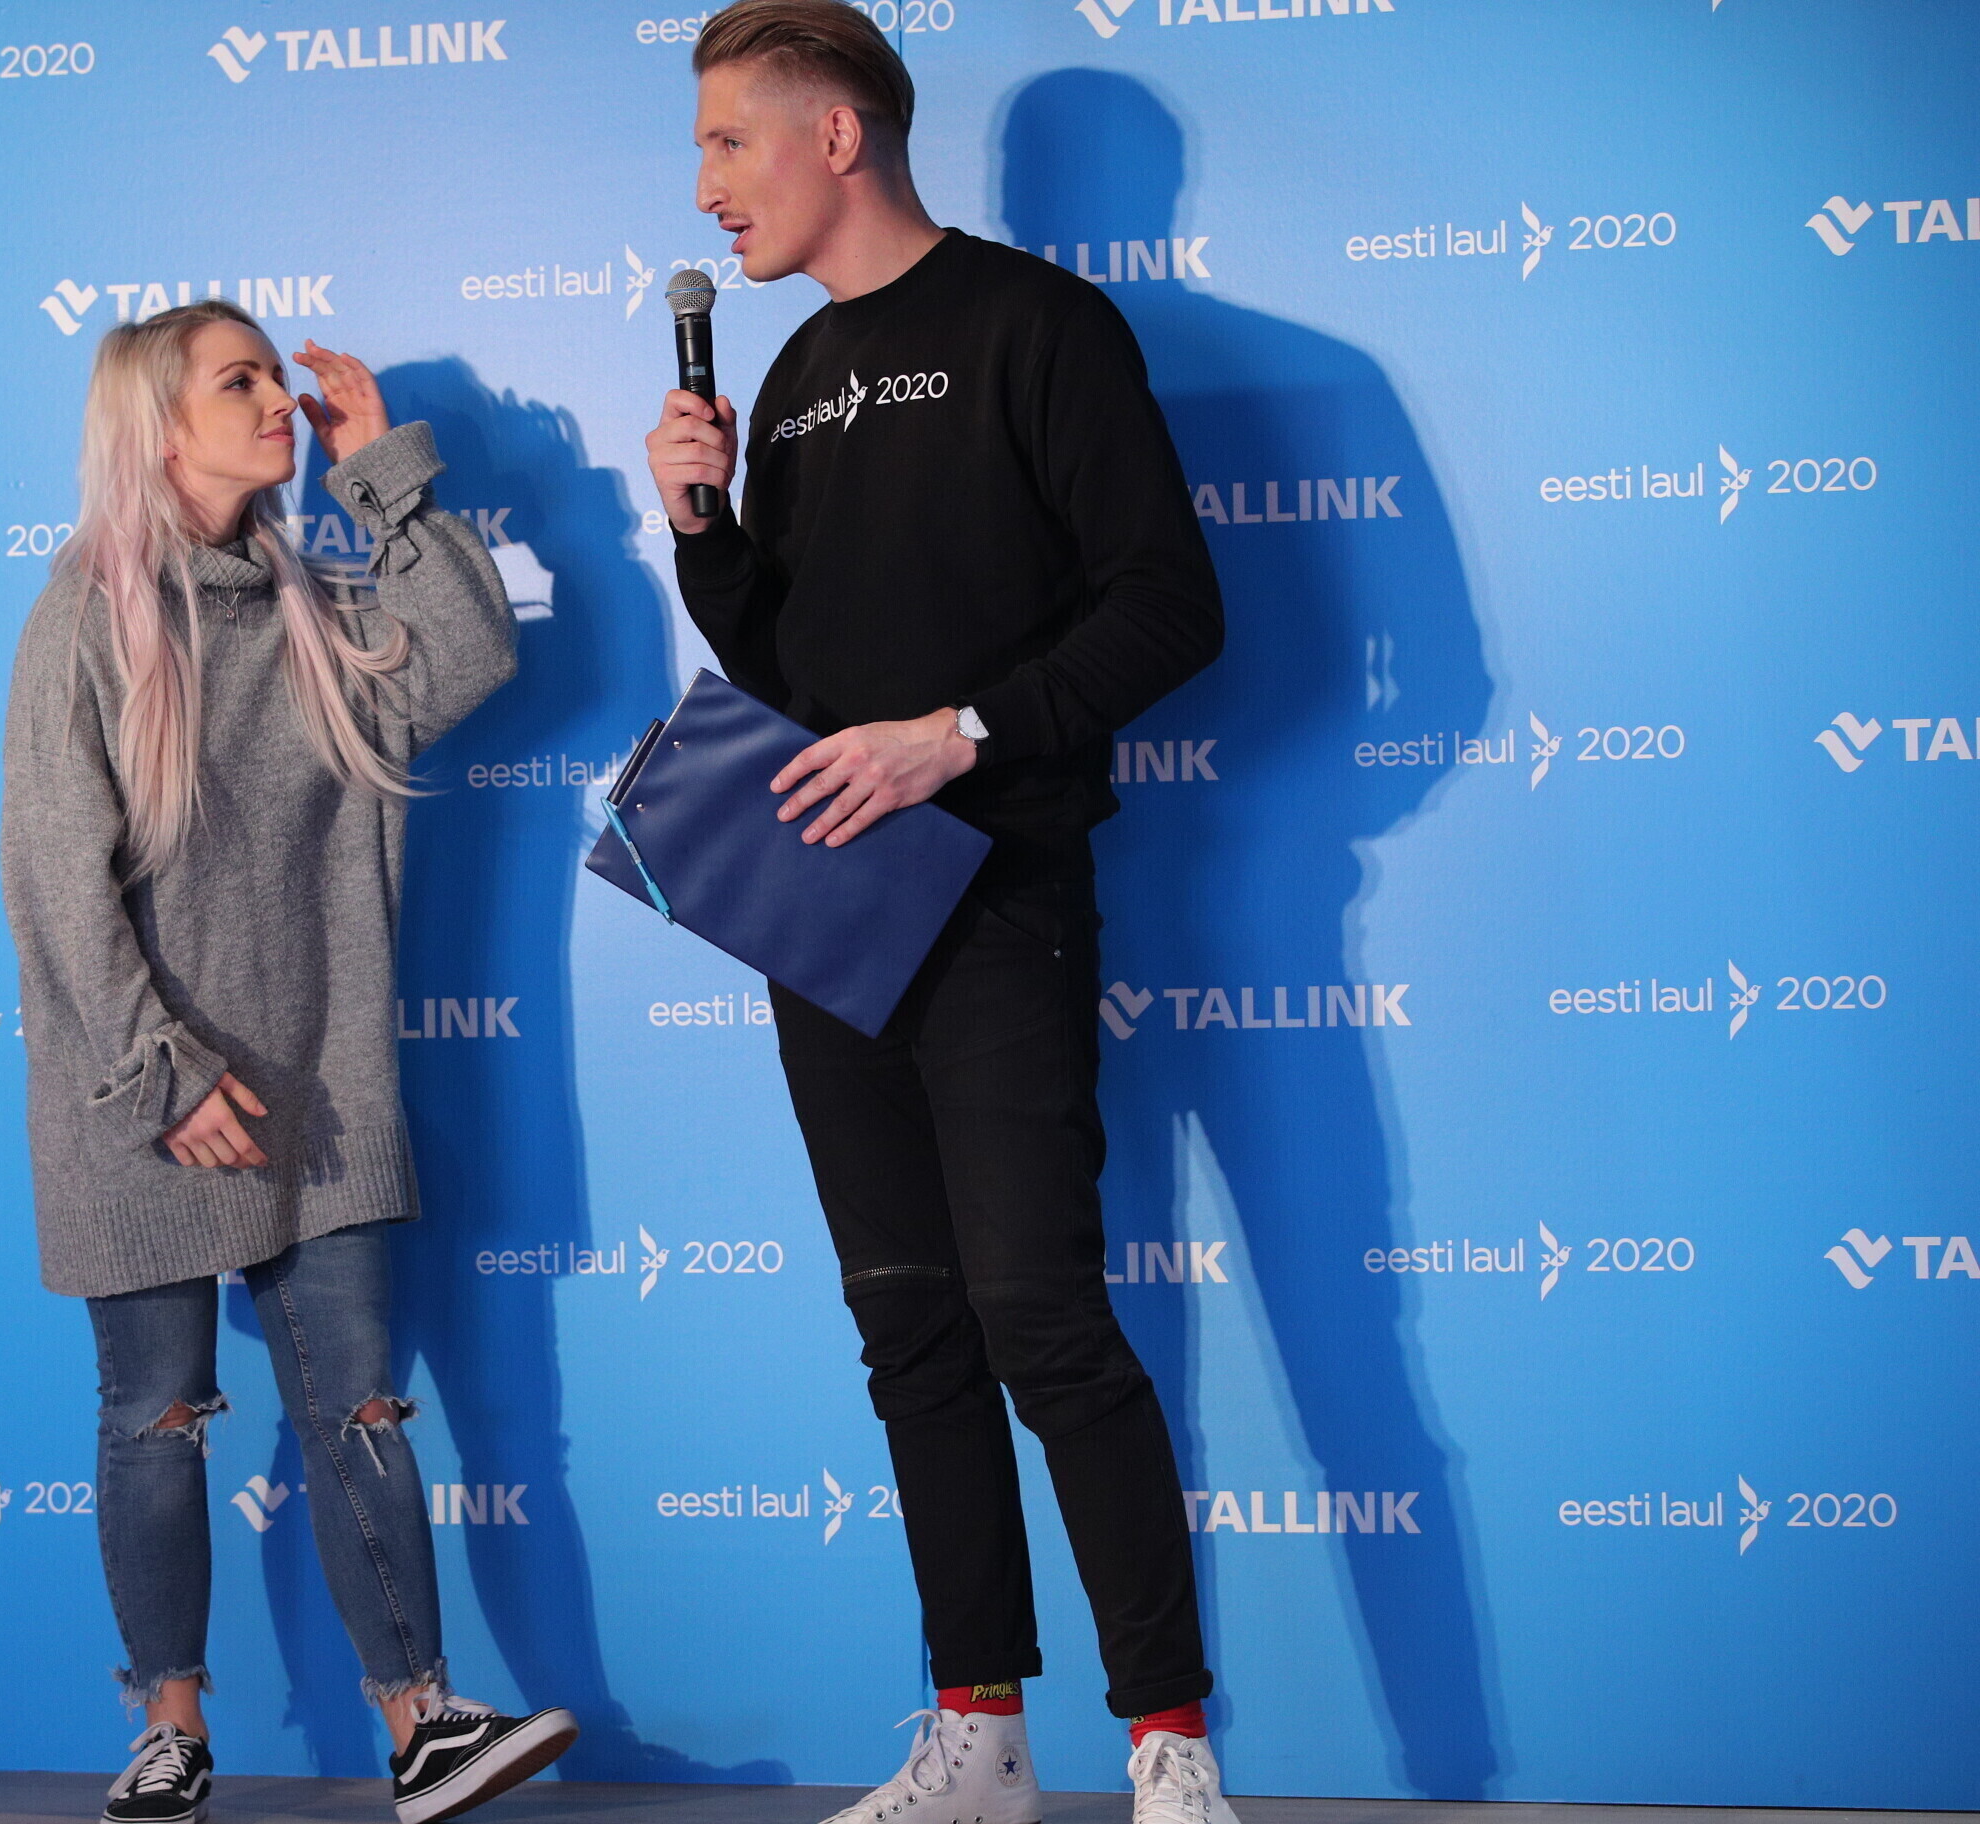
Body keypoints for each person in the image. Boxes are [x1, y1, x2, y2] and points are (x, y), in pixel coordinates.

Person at [640, 7, 1234, 1824]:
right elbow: (792, 673)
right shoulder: (793, 380)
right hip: (829, 915)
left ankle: (1170, 1751)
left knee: (1042, 1316)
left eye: (728, 141)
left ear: (836, 136)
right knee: (908, 1328)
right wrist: (706, 535)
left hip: (997, 896)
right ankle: (979, 1735)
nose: (704, 186)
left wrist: (961, 735)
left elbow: (1170, 606)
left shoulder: (1039, 325)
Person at [3, 299, 577, 1824]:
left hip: (319, 1079)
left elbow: (472, 651)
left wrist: (381, 473)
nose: (276, 402)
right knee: (154, 1414)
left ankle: (423, 1724)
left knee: (359, 1406)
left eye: (274, 376)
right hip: (146, 1095)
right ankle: (170, 1733)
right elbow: (55, 873)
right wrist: (164, 1071)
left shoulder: (313, 610)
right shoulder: (87, 615)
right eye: (238, 381)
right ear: (158, 429)